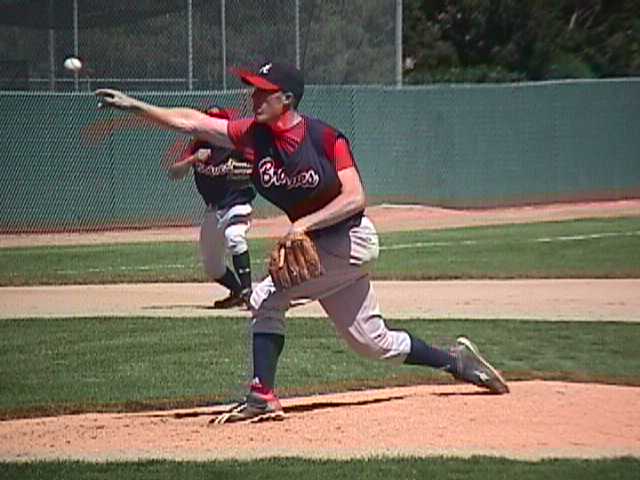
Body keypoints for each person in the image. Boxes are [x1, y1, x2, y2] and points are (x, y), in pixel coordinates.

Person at [96, 62, 509, 424]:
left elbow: (355, 197)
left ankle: (261, 394)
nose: (254, 96)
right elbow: (193, 123)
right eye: (253, 88)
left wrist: (302, 225)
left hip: (350, 240)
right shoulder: (253, 136)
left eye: (264, 91)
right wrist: (137, 106)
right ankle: (455, 360)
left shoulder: (324, 138)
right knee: (372, 343)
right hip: (324, 250)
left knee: (266, 297)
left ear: (287, 98)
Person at [167, 105, 255, 308]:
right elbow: (173, 173)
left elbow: (260, 163)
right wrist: (192, 159)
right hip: (213, 210)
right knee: (212, 266)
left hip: (237, 203)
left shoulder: (236, 144)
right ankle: (237, 291)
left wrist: (250, 169)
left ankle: (249, 294)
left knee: (235, 237)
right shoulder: (197, 145)